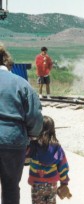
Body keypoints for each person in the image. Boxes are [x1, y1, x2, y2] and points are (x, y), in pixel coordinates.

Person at [0, 44, 43, 204]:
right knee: (11, 187)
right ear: (7, 62)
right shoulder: (21, 84)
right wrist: (32, 135)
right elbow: (34, 116)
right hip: (13, 141)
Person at [25, 115, 72, 203]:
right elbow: (63, 166)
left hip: (36, 183)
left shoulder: (33, 145)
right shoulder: (57, 147)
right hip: (52, 184)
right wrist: (64, 182)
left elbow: (24, 159)